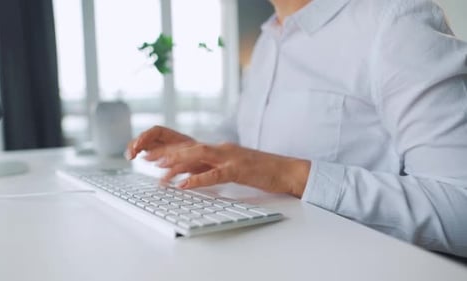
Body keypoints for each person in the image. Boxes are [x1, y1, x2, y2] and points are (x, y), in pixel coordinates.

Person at [125, 0, 467, 258]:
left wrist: (292, 174)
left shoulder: (394, 23)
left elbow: (461, 209)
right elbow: (245, 140)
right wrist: (203, 152)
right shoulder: (267, 41)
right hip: (264, 256)